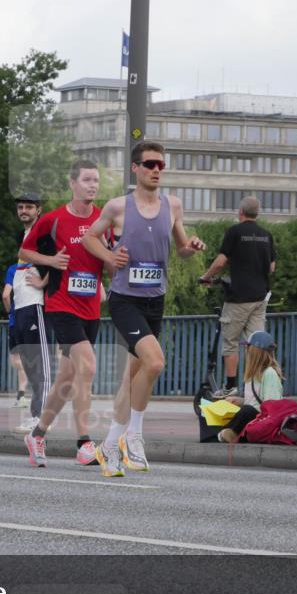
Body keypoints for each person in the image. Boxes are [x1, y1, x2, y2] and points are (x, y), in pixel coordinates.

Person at [82, 141, 205, 477]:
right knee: (155, 361)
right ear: (135, 168)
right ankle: (133, 436)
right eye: (150, 164)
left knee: (132, 377)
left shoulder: (173, 206)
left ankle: (108, 447)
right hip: (125, 301)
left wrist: (192, 246)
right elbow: (89, 238)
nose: (156, 170)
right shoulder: (118, 207)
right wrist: (108, 257)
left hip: (155, 300)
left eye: (161, 165)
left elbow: (180, 249)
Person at [18, 162, 106, 468]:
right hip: (61, 304)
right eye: (86, 180)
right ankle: (84, 444)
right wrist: (51, 261)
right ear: (73, 183)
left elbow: (105, 256)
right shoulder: (53, 220)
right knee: (89, 367)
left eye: (96, 180)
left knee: (66, 382)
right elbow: (25, 252)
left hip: (91, 306)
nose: (92, 186)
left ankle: (37, 433)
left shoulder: (102, 218)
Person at [198, 196, 276, 398]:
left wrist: (206, 277)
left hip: (238, 298)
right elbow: (271, 268)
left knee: (230, 342)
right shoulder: (266, 235)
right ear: (257, 214)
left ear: (240, 212)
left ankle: (231, 386)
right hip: (260, 297)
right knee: (257, 342)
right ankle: (258, 386)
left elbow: (220, 262)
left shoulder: (234, 232)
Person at [9, 192, 52, 434]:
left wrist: (44, 282)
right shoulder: (23, 235)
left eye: (28, 207)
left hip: (36, 304)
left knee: (40, 365)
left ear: (38, 210)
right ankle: (35, 416)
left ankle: (41, 418)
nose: (24, 211)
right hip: (21, 305)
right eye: (21, 207)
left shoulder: (43, 234)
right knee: (29, 363)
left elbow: (59, 260)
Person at [217, 331, 284, 444]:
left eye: (248, 348)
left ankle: (230, 434)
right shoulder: (252, 375)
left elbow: (271, 407)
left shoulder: (269, 373)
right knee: (212, 416)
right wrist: (240, 401)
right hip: (253, 417)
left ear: (254, 351)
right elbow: (255, 402)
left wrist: (246, 406)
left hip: (261, 421)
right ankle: (225, 434)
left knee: (246, 411)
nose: (246, 351)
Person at [2, 262, 30, 409]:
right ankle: (22, 395)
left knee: (17, 361)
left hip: (15, 320)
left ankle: (22, 394)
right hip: (32, 317)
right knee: (20, 361)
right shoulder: (37, 267)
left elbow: (6, 295)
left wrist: (9, 311)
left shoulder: (13, 269)